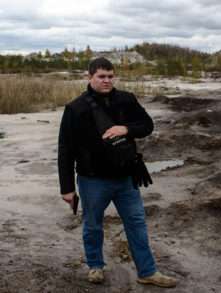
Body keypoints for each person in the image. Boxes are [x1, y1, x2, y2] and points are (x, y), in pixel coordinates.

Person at [58, 57, 177, 288]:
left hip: (126, 178)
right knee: (92, 225)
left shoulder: (126, 99)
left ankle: (148, 271)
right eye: (101, 76)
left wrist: (126, 128)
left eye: (110, 76)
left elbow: (147, 125)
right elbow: (65, 149)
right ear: (89, 76)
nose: (107, 81)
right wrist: (67, 188)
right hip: (92, 180)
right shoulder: (75, 108)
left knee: (137, 223)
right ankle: (95, 266)